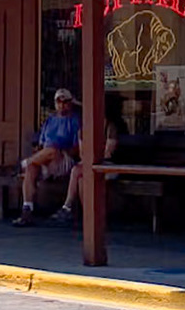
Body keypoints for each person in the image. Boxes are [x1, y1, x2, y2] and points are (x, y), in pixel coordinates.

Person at [13, 88, 117, 226]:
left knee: (54, 152)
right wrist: (40, 154)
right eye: (58, 102)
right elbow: (42, 144)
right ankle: (27, 209)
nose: (62, 105)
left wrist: (62, 153)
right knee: (32, 167)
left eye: (65, 102)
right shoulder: (49, 120)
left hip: (65, 158)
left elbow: (84, 151)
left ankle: (20, 166)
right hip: (49, 159)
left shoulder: (76, 121)